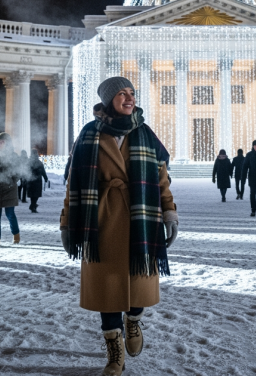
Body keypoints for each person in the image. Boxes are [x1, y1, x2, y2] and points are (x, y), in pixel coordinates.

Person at [61, 77, 178, 376]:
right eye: (122, 94)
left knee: (138, 281)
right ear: (109, 100)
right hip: (100, 219)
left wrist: (170, 213)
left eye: (132, 93)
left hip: (142, 217)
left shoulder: (145, 133)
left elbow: (160, 179)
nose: (129, 98)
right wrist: (66, 223)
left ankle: (134, 319)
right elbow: (73, 182)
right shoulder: (89, 133)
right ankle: (114, 350)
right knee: (107, 288)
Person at [27, 148, 49, 213]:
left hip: (30, 180)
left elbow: (26, 170)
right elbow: (43, 171)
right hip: (37, 181)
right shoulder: (39, 162)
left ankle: (33, 205)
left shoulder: (29, 161)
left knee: (32, 195)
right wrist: (45, 178)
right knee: (36, 195)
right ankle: (33, 206)